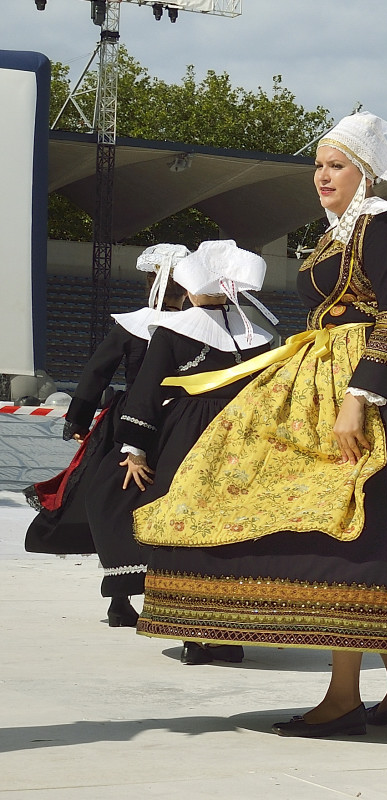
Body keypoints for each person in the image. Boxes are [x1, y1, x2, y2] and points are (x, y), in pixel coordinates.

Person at [131, 112, 387, 732]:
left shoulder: (382, 226)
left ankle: (346, 696)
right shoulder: (333, 233)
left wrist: (360, 397)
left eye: (337, 165)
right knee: (347, 532)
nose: (322, 176)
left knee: (346, 528)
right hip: (322, 375)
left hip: (373, 391)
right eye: (319, 166)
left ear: (366, 173)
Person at [91, 239, 275, 664]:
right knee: (235, 530)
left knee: (182, 527)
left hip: (186, 436)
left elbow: (146, 392)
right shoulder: (259, 335)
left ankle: (193, 634)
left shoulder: (174, 330)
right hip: (243, 438)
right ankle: (229, 634)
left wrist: (134, 449)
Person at [24, 244, 188, 626]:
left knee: (116, 502)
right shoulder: (194, 324)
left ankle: (121, 597)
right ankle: (154, 595)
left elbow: (96, 372)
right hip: (180, 419)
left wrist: (79, 418)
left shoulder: (132, 325)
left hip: (128, 420)